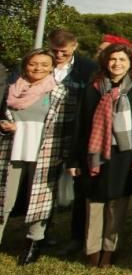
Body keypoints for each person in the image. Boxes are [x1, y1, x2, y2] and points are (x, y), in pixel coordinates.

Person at [69, 43, 132, 268]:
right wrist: (74, 159)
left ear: (131, 63)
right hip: (94, 152)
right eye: (113, 59)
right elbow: (81, 125)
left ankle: (110, 248)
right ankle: (92, 248)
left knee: (117, 202)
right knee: (94, 201)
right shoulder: (93, 88)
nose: (117, 64)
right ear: (105, 61)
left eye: (122, 60)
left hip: (125, 153)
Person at [0, 50, 73, 264]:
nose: (38, 68)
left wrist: (65, 154)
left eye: (44, 64)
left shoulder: (60, 92)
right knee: (4, 196)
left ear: (52, 67)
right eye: (33, 64)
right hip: (12, 151)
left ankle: (34, 241)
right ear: (25, 66)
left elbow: (67, 126)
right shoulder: (12, 90)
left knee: (39, 199)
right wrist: (5, 127)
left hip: (46, 153)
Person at [44, 29, 98, 258]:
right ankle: (40, 234)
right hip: (43, 135)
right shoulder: (40, 62)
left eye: (63, 51)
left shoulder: (87, 68)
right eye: (54, 51)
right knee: (42, 186)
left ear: (74, 46)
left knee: (79, 186)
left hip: (75, 134)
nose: (58, 55)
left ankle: (76, 236)